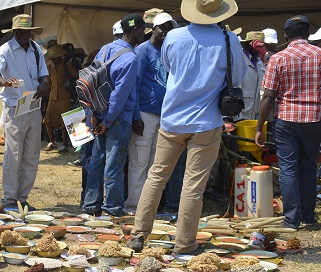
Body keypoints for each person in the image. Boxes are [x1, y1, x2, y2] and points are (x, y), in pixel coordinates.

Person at [127, 0, 247, 255]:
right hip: (206, 122)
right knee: (193, 186)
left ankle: (138, 235)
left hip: (172, 119)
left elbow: (170, 70)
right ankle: (184, 244)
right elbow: (237, 78)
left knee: (156, 177)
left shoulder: (174, 37)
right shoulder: (228, 40)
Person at [255, 15, 321, 230]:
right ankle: (309, 218)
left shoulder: (278, 58)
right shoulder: (319, 55)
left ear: (285, 35)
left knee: (288, 169)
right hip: (314, 118)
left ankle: (292, 219)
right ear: (308, 33)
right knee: (310, 168)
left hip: (286, 119)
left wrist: (259, 127)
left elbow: (268, 96)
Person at [81, 14, 147, 217]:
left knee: (96, 161)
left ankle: (91, 205)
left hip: (97, 114)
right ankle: (112, 208)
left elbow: (91, 82)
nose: (144, 34)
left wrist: (94, 115)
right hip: (115, 119)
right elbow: (121, 94)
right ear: (135, 31)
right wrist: (108, 122)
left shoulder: (104, 49)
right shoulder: (130, 58)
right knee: (114, 165)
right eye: (143, 30)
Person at [0, 14, 49, 210]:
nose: (25, 35)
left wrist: (44, 86)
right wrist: (4, 82)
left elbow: (44, 77)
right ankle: (9, 198)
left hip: (34, 105)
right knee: (13, 154)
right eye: (21, 32)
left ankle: (22, 198)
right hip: (15, 107)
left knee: (31, 155)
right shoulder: (5, 50)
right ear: (14, 32)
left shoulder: (36, 50)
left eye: (27, 31)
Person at [124, 12, 177, 216]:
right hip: (144, 114)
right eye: (162, 27)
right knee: (139, 161)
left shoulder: (168, 52)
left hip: (163, 116)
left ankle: (147, 208)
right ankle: (133, 207)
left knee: (154, 165)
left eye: (169, 28)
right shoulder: (143, 51)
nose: (165, 31)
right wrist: (135, 116)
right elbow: (134, 86)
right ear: (153, 28)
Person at [43, 45, 77, 153]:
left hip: (65, 96)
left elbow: (75, 75)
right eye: (51, 58)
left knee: (65, 121)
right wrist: (45, 99)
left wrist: (69, 65)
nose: (52, 60)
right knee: (48, 120)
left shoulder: (66, 64)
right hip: (52, 96)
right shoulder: (49, 67)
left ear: (59, 57)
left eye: (54, 58)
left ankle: (65, 144)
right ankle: (52, 142)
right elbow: (48, 83)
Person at [238, 31, 266, 120]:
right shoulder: (239, 60)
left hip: (255, 114)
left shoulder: (259, 62)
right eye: (257, 46)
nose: (258, 49)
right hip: (241, 114)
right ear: (248, 44)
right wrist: (237, 116)